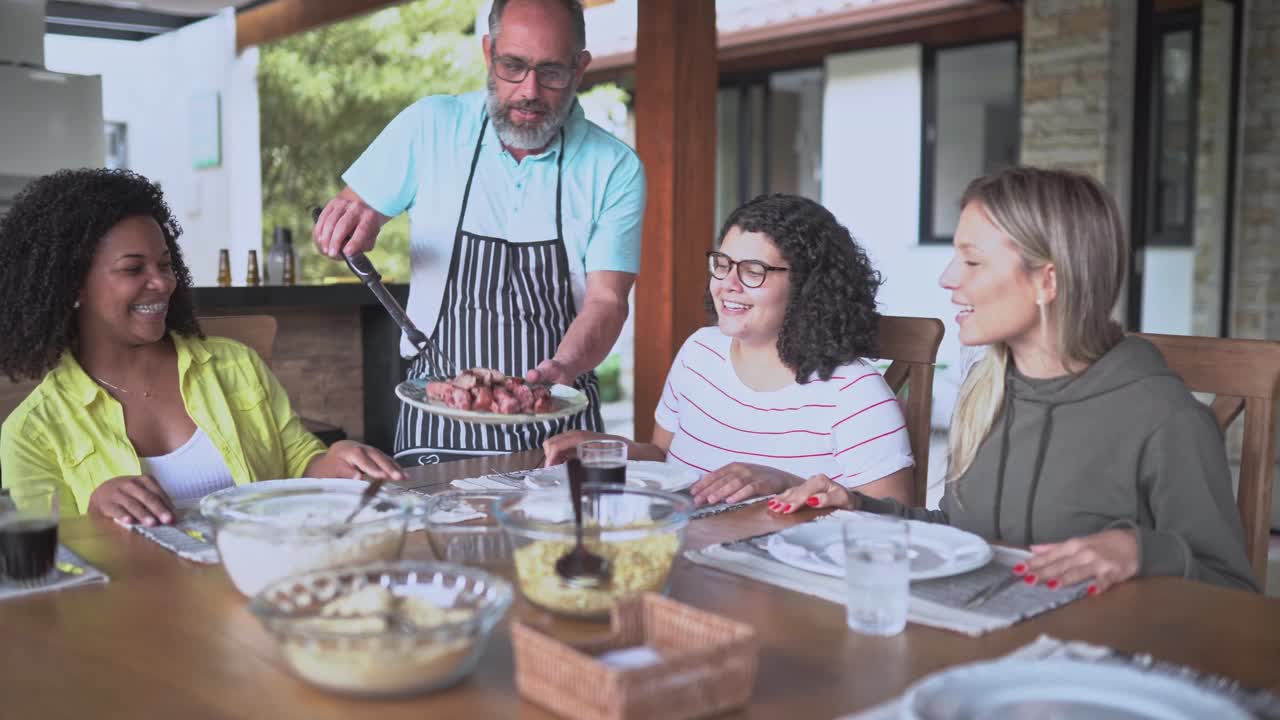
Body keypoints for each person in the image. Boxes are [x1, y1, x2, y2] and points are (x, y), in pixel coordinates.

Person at [772, 167, 1258, 593]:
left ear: (1048, 281)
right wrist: (858, 507)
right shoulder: (988, 392)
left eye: (972, 260)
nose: (947, 278)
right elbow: (963, 537)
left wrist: (1141, 552)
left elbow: (1235, 596)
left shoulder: (1166, 420)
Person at [312, 0, 644, 466]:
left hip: (559, 419)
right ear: (488, 53)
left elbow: (608, 302)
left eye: (551, 72)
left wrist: (561, 369)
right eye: (513, 66)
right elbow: (346, 219)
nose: (529, 90)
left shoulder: (614, 167)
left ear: (580, 68)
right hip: (438, 414)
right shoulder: (430, 127)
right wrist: (345, 232)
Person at [0, 168, 405, 527]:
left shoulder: (235, 365)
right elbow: (50, 573)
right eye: (133, 268)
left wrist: (334, 462)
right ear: (72, 286)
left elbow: (298, 461)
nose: (162, 283)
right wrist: (95, 520)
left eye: (165, 264)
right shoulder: (31, 434)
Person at [544, 193, 915, 507]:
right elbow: (664, 459)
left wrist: (785, 482)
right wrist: (610, 449)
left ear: (808, 285)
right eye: (722, 265)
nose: (727, 284)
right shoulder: (699, 351)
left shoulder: (855, 393)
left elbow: (894, 530)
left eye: (753, 270)